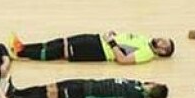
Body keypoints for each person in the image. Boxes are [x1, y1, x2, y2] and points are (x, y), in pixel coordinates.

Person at [10, 31, 173, 64]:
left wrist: (111, 42)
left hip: (100, 50)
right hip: (99, 40)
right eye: (163, 38)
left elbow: (122, 59)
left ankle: (22, 54)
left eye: (163, 43)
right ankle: (23, 46)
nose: (160, 39)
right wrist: (113, 35)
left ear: (162, 52)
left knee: (62, 51)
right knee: (62, 42)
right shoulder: (144, 39)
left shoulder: (146, 54)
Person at [10, 78, 167, 98]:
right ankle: (17, 91)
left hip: (87, 94)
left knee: (52, 96)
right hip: (89, 83)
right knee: (50, 86)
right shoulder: (137, 83)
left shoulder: (138, 97)